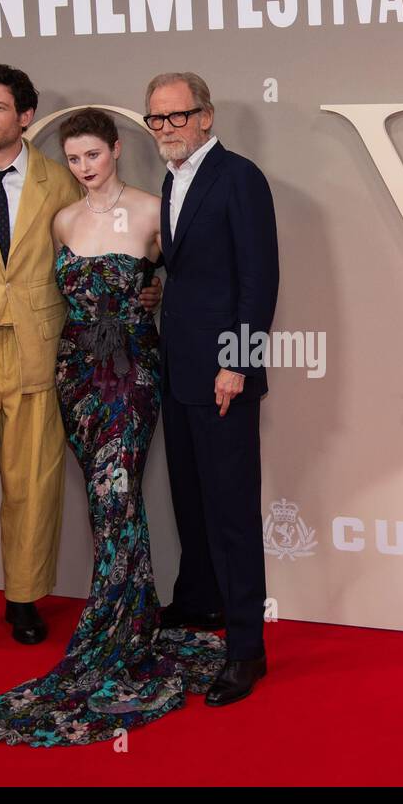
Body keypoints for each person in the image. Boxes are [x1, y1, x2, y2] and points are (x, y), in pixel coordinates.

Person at [0, 108, 226, 746]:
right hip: (76, 373)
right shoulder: (62, 220)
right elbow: (42, 297)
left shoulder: (155, 211)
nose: (83, 168)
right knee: (107, 504)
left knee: (116, 490)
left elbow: (191, 285)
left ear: (117, 150)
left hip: (131, 370)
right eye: (73, 159)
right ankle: (133, 614)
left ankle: (121, 624)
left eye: (93, 156)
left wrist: (153, 293)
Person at [0, 68, 160, 675]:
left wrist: (148, 290)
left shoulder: (61, 183)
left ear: (26, 116)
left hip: (42, 355)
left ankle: (23, 600)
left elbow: (102, 252)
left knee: (33, 485)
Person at [147, 72, 279, 706]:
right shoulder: (172, 179)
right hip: (179, 371)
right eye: (157, 119)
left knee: (230, 512)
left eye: (178, 116)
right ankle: (199, 603)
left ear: (205, 115)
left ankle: (246, 648)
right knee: (191, 500)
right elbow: (195, 274)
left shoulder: (240, 177)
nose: (167, 129)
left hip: (223, 376)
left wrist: (239, 365)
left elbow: (259, 282)